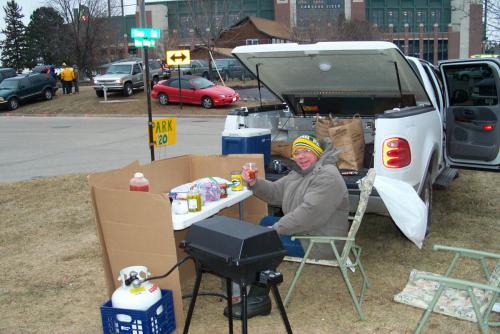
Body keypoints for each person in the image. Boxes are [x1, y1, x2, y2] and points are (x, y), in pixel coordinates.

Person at [224, 134, 350, 320]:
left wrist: (275, 230)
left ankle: (258, 300)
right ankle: (255, 284)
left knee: (263, 243)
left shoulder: (327, 176)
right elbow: (275, 192)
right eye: (297, 152)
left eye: (306, 151)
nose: (301, 156)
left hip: (320, 241)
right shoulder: (301, 172)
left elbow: (308, 215)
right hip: (306, 231)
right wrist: (254, 183)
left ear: (317, 153)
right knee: (264, 224)